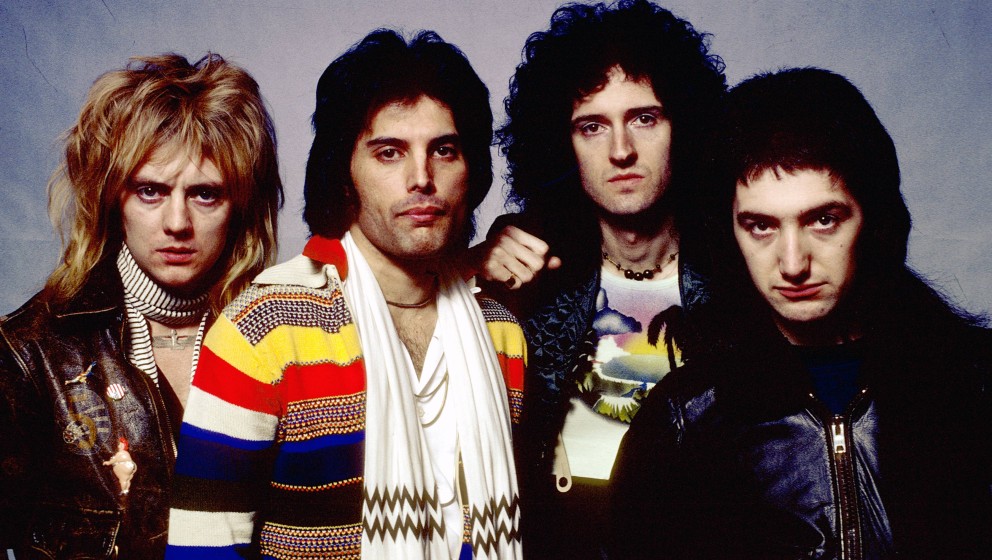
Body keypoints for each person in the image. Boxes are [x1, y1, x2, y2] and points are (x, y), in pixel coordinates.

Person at [165, 30, 525, 560]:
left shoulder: (502, 333)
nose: (421, 178)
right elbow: (203, 546)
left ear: (470, 169)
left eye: (444, 150)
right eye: (389, 153)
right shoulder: (263, 330)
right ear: (345, 172)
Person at [611, 67, 992, 559]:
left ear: (874, 219)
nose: (793, 264)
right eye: (761, 226)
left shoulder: (974, 385)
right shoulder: (686, 420)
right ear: (730, 234)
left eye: (823, 220)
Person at [0, 53, 283, 559]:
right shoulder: (30, 355)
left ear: (240, 205)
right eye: (150, 191)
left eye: (205, 194)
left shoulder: (284, 341)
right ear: (114, 198)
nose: (177, 223)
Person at [468, 1, 725, 557]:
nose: (621, 151)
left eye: (645, 118)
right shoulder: (529, 275)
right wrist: (468, 271)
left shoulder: (740, 278)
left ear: (685, 126)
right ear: (562, 145)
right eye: (592, 126)